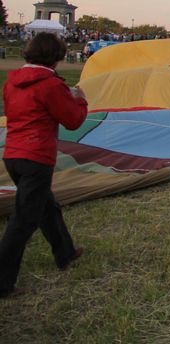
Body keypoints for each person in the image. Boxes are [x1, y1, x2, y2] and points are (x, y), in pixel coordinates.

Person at [0, 33, 89, 298]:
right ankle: (3, 283)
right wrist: (80, 99)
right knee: (24, 221)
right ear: (57, 56)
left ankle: (65, 253)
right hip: (36, 156)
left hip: (13, 154)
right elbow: (73, 120)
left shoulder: (12, 82)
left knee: (47, 206)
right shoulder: (50, 85)